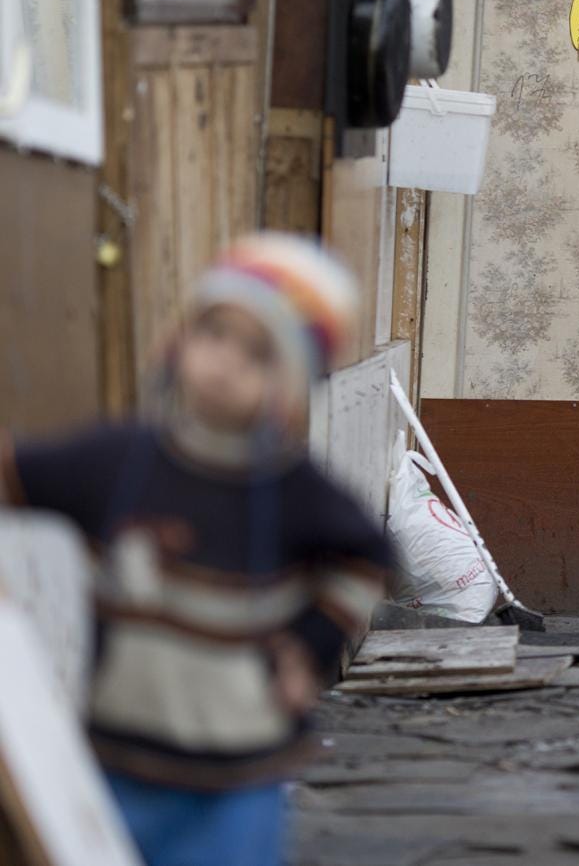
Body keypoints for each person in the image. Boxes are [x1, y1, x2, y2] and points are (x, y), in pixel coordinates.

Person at [0, 233, 393, 866]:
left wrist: (311, 648)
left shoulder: (294, 489)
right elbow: (14, 472)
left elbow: (368, 557)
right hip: (120, 765)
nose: (225, 363)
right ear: (182, 338)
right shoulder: (117, 460)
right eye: (214, 334)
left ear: (291, 381)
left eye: (258, 353)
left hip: (240, 781)